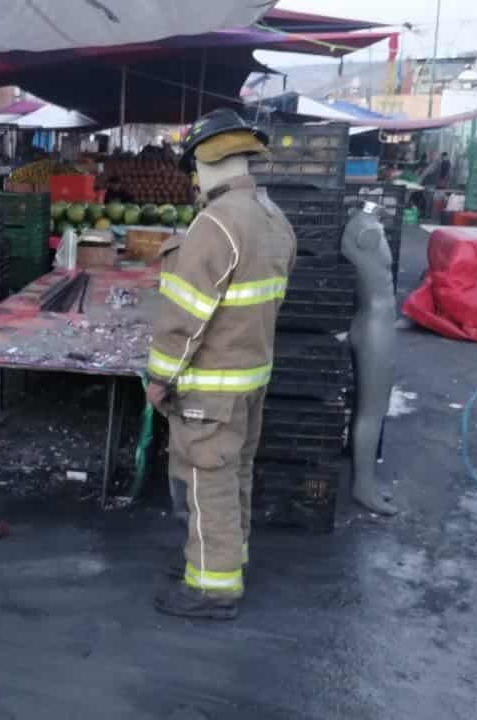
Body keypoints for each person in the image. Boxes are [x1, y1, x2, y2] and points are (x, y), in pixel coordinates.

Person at [147, 108, 296, 620]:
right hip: (251, 381)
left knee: (205, 480)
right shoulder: (273, 218)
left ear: (204, 163)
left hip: (210, 389)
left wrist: (158, 378)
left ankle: (212, 589)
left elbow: (182, 319)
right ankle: (222, 557)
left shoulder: (216, 224)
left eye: (192, 168)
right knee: (233, 476)